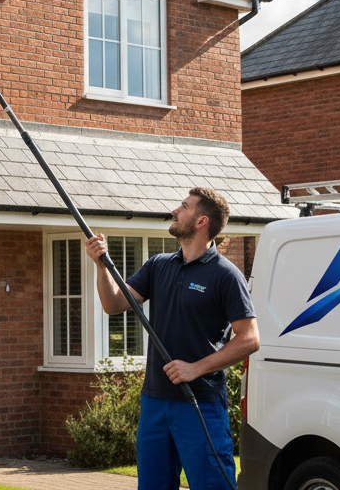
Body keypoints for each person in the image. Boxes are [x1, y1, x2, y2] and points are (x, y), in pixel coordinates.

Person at [85, 187, 260, 490]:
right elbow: (114, 305)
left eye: (184, 207)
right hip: (154, 401)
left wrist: (196, 368)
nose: (175, 211)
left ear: (201, 221)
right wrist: (102, 266)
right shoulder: (159, 265)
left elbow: (250, 339)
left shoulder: (225, 275)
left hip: (200, 404)